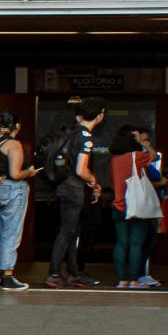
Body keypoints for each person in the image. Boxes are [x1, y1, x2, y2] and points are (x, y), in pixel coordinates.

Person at [47, 99, 106, 290]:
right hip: (74, 188)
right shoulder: (86, 138)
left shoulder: (70, 132)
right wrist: (94, 181)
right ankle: (55, 273)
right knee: (67, 231)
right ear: (99, 116)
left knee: (73, 231)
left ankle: (73, 272)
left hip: (62, 186)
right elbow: (81, 169)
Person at [0, 112, 38, 291]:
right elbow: (15, 174)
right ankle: (8, 275)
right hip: (13, 190)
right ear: (17, 126)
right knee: (11, 233)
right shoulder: (13, 144)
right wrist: (29, 173)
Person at [109, 125, 164, 289]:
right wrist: (144, 143)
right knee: (136, 244)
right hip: (136, 206)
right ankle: (134, 280)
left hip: (118, 206)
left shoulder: (114, 159)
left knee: (121, 243)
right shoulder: (137, 156)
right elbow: (154, 156)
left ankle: (121, 280)